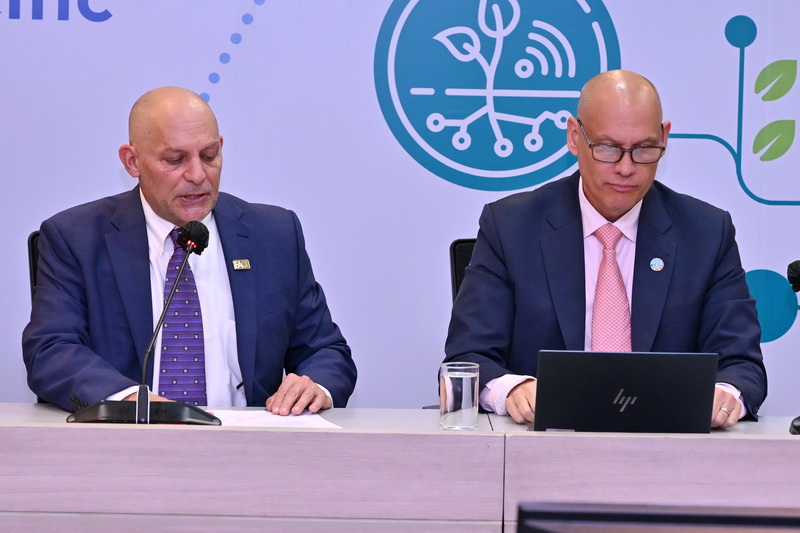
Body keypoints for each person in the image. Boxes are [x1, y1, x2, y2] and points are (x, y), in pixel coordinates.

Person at [443, 70, 766, 429]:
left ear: (664, 138)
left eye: (644, 149)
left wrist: (726, 394)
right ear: (574, 137)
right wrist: (513, 389)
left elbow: (742, 364)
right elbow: (467, 358)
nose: (626, 168)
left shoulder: (706, 233)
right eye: (608, 149)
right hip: (542, 445)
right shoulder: (511, 227)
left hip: (667, 447)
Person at [22, 86, 356, 415]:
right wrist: (130, 402)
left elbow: (326, 350)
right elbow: (51, 350)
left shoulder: (273, 234)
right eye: (175, 159)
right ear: (132, 161)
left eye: (209, 156)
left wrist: (315, 385)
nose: (197, 175)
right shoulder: (76, 238)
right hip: (128, 439)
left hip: (248, 442)